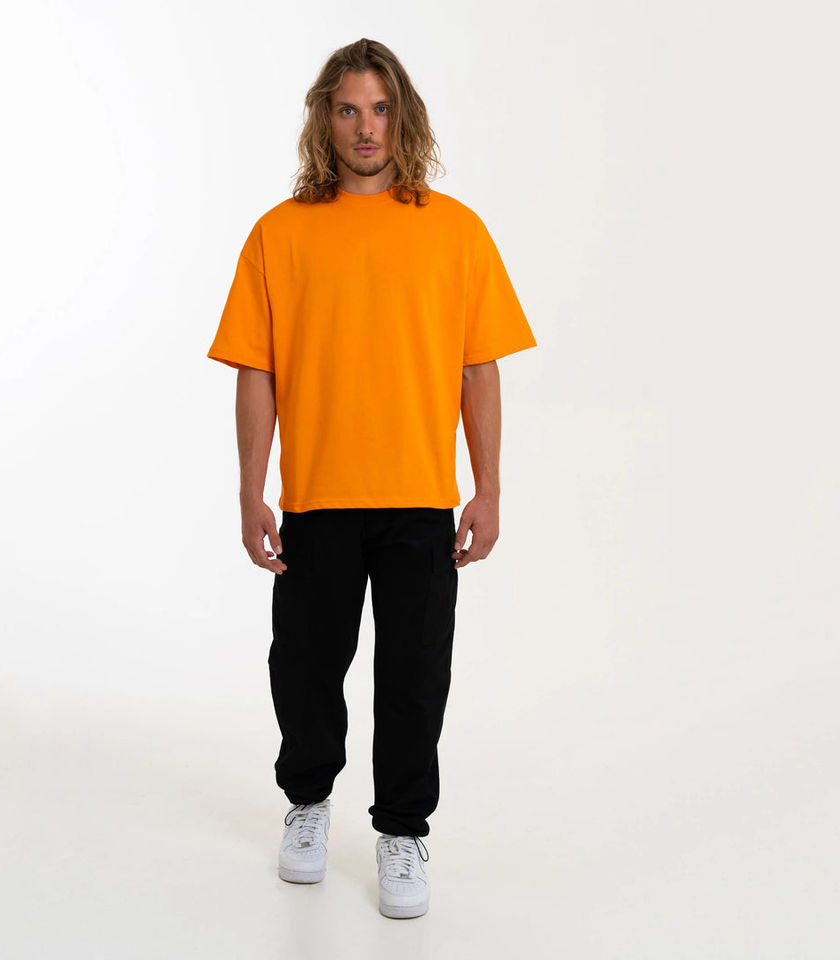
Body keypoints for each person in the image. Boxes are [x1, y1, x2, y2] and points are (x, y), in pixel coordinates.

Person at [206, 37, 537, 919]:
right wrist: (250, 491)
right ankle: (308, 804)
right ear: (325, 119)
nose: (366, 127)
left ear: (404, 116)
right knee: (305, 666)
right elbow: (255, 371)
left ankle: (402, 830)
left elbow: (478, 368)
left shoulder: (455, 230)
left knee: (415, 675)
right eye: (348, 109)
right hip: (316, 496)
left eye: (381, 109)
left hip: (420, 499)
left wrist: (489, 488)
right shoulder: (280, 234)